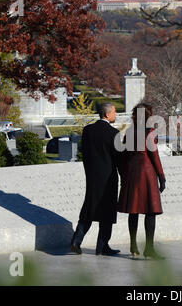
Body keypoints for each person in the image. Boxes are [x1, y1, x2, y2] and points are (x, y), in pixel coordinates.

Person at [70, 102, 121, 256]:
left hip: (92, 176)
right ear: (107, 114)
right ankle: (102, 246)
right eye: (114, 112)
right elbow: (118, 158)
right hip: (109, 178)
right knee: (108, 211)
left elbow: (84, 153)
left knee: (89, 209)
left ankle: (76, 241)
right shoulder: (114, 133)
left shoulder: (87, 130)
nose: (115, 115)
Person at [117, 103, 166, 260]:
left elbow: (124, 155)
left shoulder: (130, 132)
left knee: (134, 210)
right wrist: (161, 176)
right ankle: (149, 249)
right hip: (146, 173)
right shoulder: (149, 132)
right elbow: (154, 156)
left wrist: (124, 174)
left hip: (131, 173)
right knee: (150, 211)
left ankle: (133, 246)